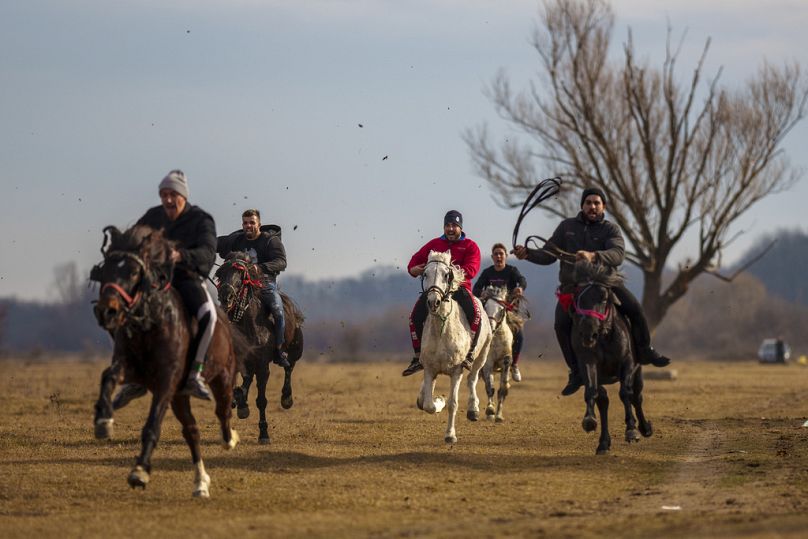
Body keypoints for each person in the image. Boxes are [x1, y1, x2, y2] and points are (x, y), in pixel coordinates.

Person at [513, 187, 670, 396]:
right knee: (560, 325)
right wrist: (528, 254)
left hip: (605, 284)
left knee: (635, 309)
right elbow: (548, 255)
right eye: (588, 202)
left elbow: (617, 254)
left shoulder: (611, 229)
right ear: (582, 206)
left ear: (603, 206)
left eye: (597, 203)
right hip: (573, 289)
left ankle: (645, 350)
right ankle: (576, 372)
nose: (592, 206)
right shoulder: (566, 227)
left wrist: (594, 256)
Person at [115, 170, 218, 407]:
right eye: (164, 195)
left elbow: (208, 252)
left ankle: (195, 374)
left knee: (209, 316)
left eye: (173, 194)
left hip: (187, 278)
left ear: (183, 196)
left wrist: (181, 255)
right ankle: (134, 378)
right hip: (155, 282)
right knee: (126, 313)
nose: (168, 200)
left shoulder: (201, 220)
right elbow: (134, 238)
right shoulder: (153, 216)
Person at [402, 210, 482, 376]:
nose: (450, 229)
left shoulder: (470, 246)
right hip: (436, 289)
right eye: (447, 225)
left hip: (459, 288)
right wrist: (413, 269)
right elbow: (414, 262)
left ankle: (470, 354)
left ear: (460, 227)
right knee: (414, 318)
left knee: (476, 315)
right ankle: (418, 358)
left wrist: (452, 274)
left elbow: (472, 270)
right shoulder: (434, 244)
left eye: (454, 225)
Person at [216, 208, 290, 368]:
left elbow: (282, 262)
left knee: (277, 310)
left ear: (259, 224)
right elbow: (215, 244)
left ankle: (279, 349)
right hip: (240, 285)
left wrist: (260, 268)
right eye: (245, 222)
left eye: (252, 222)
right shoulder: (236, 240)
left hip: (265, 283)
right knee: (221, 312)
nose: (248, 225)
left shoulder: (271, 241)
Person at [473, 243, 528, 382]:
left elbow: (522, 280)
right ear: (492, 257)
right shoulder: (487, 272)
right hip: (490, 312)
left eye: (501, 254)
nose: (498, 256)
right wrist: (482, 293)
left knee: (519, 335)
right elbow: (476, 289)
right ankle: (478, 364)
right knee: (475, 332)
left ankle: (514, 365)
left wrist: (520, 288)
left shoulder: (512, 271)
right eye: (496, 254)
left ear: (506, 256)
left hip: (509, 310)